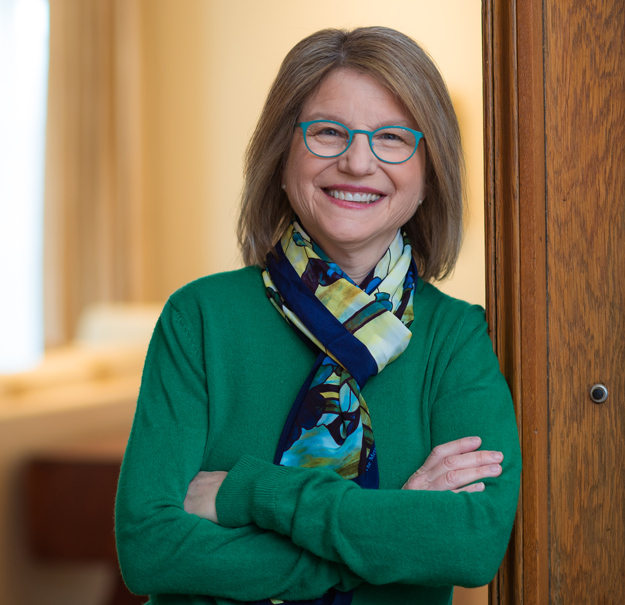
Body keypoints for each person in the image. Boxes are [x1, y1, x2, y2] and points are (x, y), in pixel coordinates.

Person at [115, 26, 520, 605]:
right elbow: (148, 549)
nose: (359, 162)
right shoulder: (198, 318)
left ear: (429, 175)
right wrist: (391, 528)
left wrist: (256, 493)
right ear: (283, 157)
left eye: (393, 138)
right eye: (329, 132)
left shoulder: (456, 338)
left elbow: (471, 546)